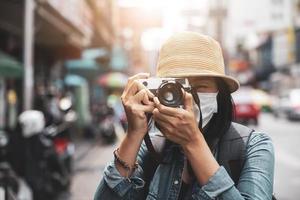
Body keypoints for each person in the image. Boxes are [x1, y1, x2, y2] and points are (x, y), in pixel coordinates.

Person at [94, 32, 274, 200]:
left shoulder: (254, 146)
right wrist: (133, 134)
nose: (188, 96)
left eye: (200, 86)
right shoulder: (151, 147)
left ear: (220, 93)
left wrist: (193, 142)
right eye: (177, 87)